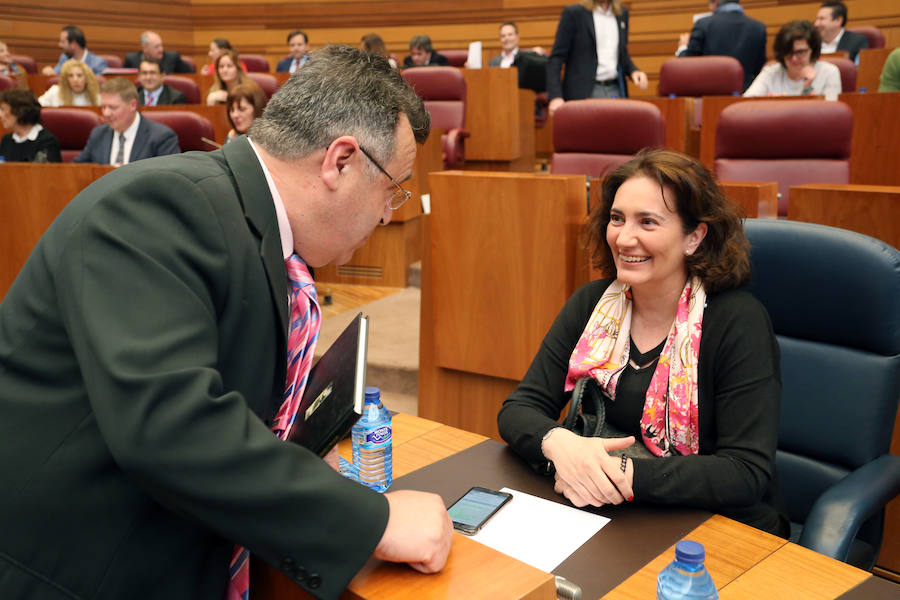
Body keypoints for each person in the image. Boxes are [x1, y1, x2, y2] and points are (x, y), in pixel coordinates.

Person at [0, 44, 451, 600]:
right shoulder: (158, 206)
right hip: (77, 572)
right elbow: (171, 424)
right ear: (340, 161)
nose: (388, 214)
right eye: (393, 189)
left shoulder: (246, 222)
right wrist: (370, 521)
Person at [497, 148, 789, 538]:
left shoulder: (737, 321)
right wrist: (560, 444)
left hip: (715, 529)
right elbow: (519, 409)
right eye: (617, 219)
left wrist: (619, 472)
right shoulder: (592, 303)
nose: (624, 237)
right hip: (608, 514)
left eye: (647, 222)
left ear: (694, 237)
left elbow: (744, 471)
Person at [547, 0, 648, 115]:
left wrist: (633, 71)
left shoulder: (622, 13)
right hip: (585, 93)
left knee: (618, 131)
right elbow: (556, 58)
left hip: (614, 89)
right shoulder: (574, 14)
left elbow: (621, 53)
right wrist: (555, 96)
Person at [74, 77, 180, 165]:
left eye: (112, 107)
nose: (106, 113)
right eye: (103, 107)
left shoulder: (161, 137)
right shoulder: (98, 134)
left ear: (133, 105)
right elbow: (77, 170)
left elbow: (169, 179)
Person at [675, 0, 767, 91]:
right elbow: (758, 70)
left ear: (715, 2)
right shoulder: (758, 28)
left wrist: (683, 47)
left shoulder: (703, 24)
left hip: (708, 98)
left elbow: (687, 68)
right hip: (743, 98)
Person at [744, 20, 841, 100]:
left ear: (812, 49)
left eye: (800, 52)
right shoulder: (771, 72)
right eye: (788, 52)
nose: (794, 58)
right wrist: (771, 103)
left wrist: (807, 89)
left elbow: (831, 114)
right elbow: (746, 104)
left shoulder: (829, 72)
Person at [0, 89, 62, 163]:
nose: (0, 115)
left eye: (3, 109)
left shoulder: (47, 142)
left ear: (20, 111)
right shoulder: (6, 140)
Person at [40, 25, 108, 76]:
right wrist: (49, 72)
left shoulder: (98, 63)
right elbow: (55, 74)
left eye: (63, 42)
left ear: (73, 44)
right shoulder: (64, 58)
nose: (59, 45)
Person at [123, 30, 194, 74]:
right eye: (156, 47)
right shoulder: (131, 59)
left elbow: (191, 75)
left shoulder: (172, 57)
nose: (161, 50)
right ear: (145, 48)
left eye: (161, 45)